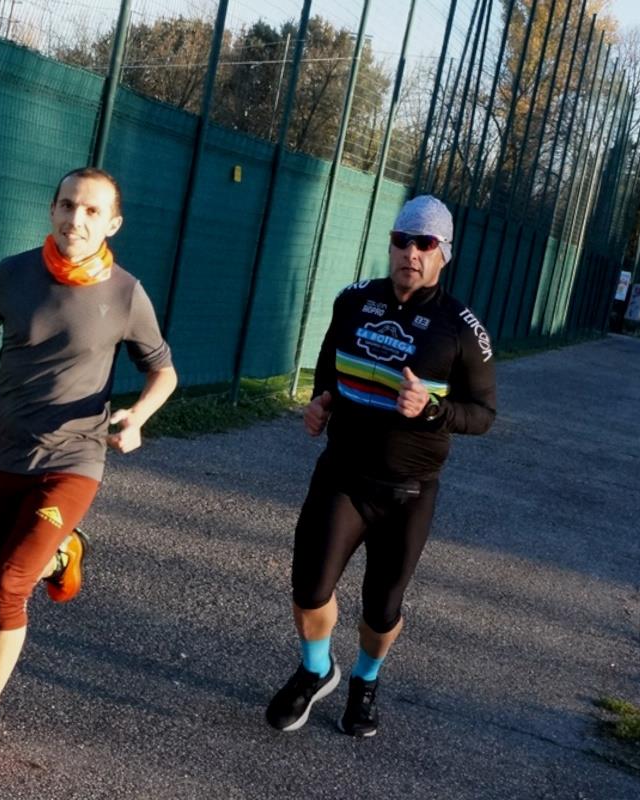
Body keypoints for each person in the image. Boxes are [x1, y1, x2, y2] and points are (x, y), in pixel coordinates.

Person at [0, 167, 177, 770]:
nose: (76, 220)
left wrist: (138, 418)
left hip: (74, 458)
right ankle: (64, 553)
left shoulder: (126, 294)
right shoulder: (12, 275)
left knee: (12, 586)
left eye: (92, 211)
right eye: (67, 206)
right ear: (52, 210)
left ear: (112, 224)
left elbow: (163, 371)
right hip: (3, 452)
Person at [265, 195, 496, 738]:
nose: (411, 252)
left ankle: (365, 680)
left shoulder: (462, 327)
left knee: (382, 609)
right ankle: (316, 670)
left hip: (408, 492)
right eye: (401, 240)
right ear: (390, 245)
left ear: (444, 253)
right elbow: (328, 363)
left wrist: (433, 409)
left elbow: (484, 414)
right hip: (342, 475)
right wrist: (321, 400)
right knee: (308, 588)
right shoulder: (354, 300)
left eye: (425, 243)